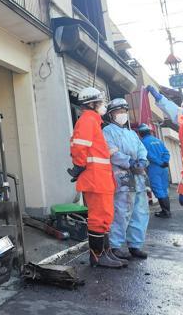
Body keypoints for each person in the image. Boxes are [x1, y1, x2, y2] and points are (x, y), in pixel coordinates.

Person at [68, 87, 124, 268]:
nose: (103, 106)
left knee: (105, 216)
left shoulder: (93, 121)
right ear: (91, 104)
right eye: (100, 102)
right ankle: (98, 256)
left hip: (100, 178)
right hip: (95, 178)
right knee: (99, 218)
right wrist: (78, 165)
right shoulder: (87, 120)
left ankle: (104, 253)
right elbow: (78, 147)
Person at [103, 98, 150, 261]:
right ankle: (115, 246)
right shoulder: (107, 131)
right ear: (111, 115)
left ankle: (135, 245)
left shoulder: (131, 133)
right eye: (118, 111)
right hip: (122, 175)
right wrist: (129, 162)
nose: (122, 114)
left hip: (137, 175)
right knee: (121, 211)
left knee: (140, 210)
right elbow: (111, 151)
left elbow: (141, 149)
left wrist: (142, 161)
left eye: (124, 111)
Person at [137, 123, 172, 218]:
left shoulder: (143, 142)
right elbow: (166, 152)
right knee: (164, 189)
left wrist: (159, 162)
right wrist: (165, 162)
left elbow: (148, 155)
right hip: (163, 168)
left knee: (158, 188)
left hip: (154, 168)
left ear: (140, 133)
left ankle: (166, 212)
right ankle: (167, 210)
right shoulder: (158, 140)